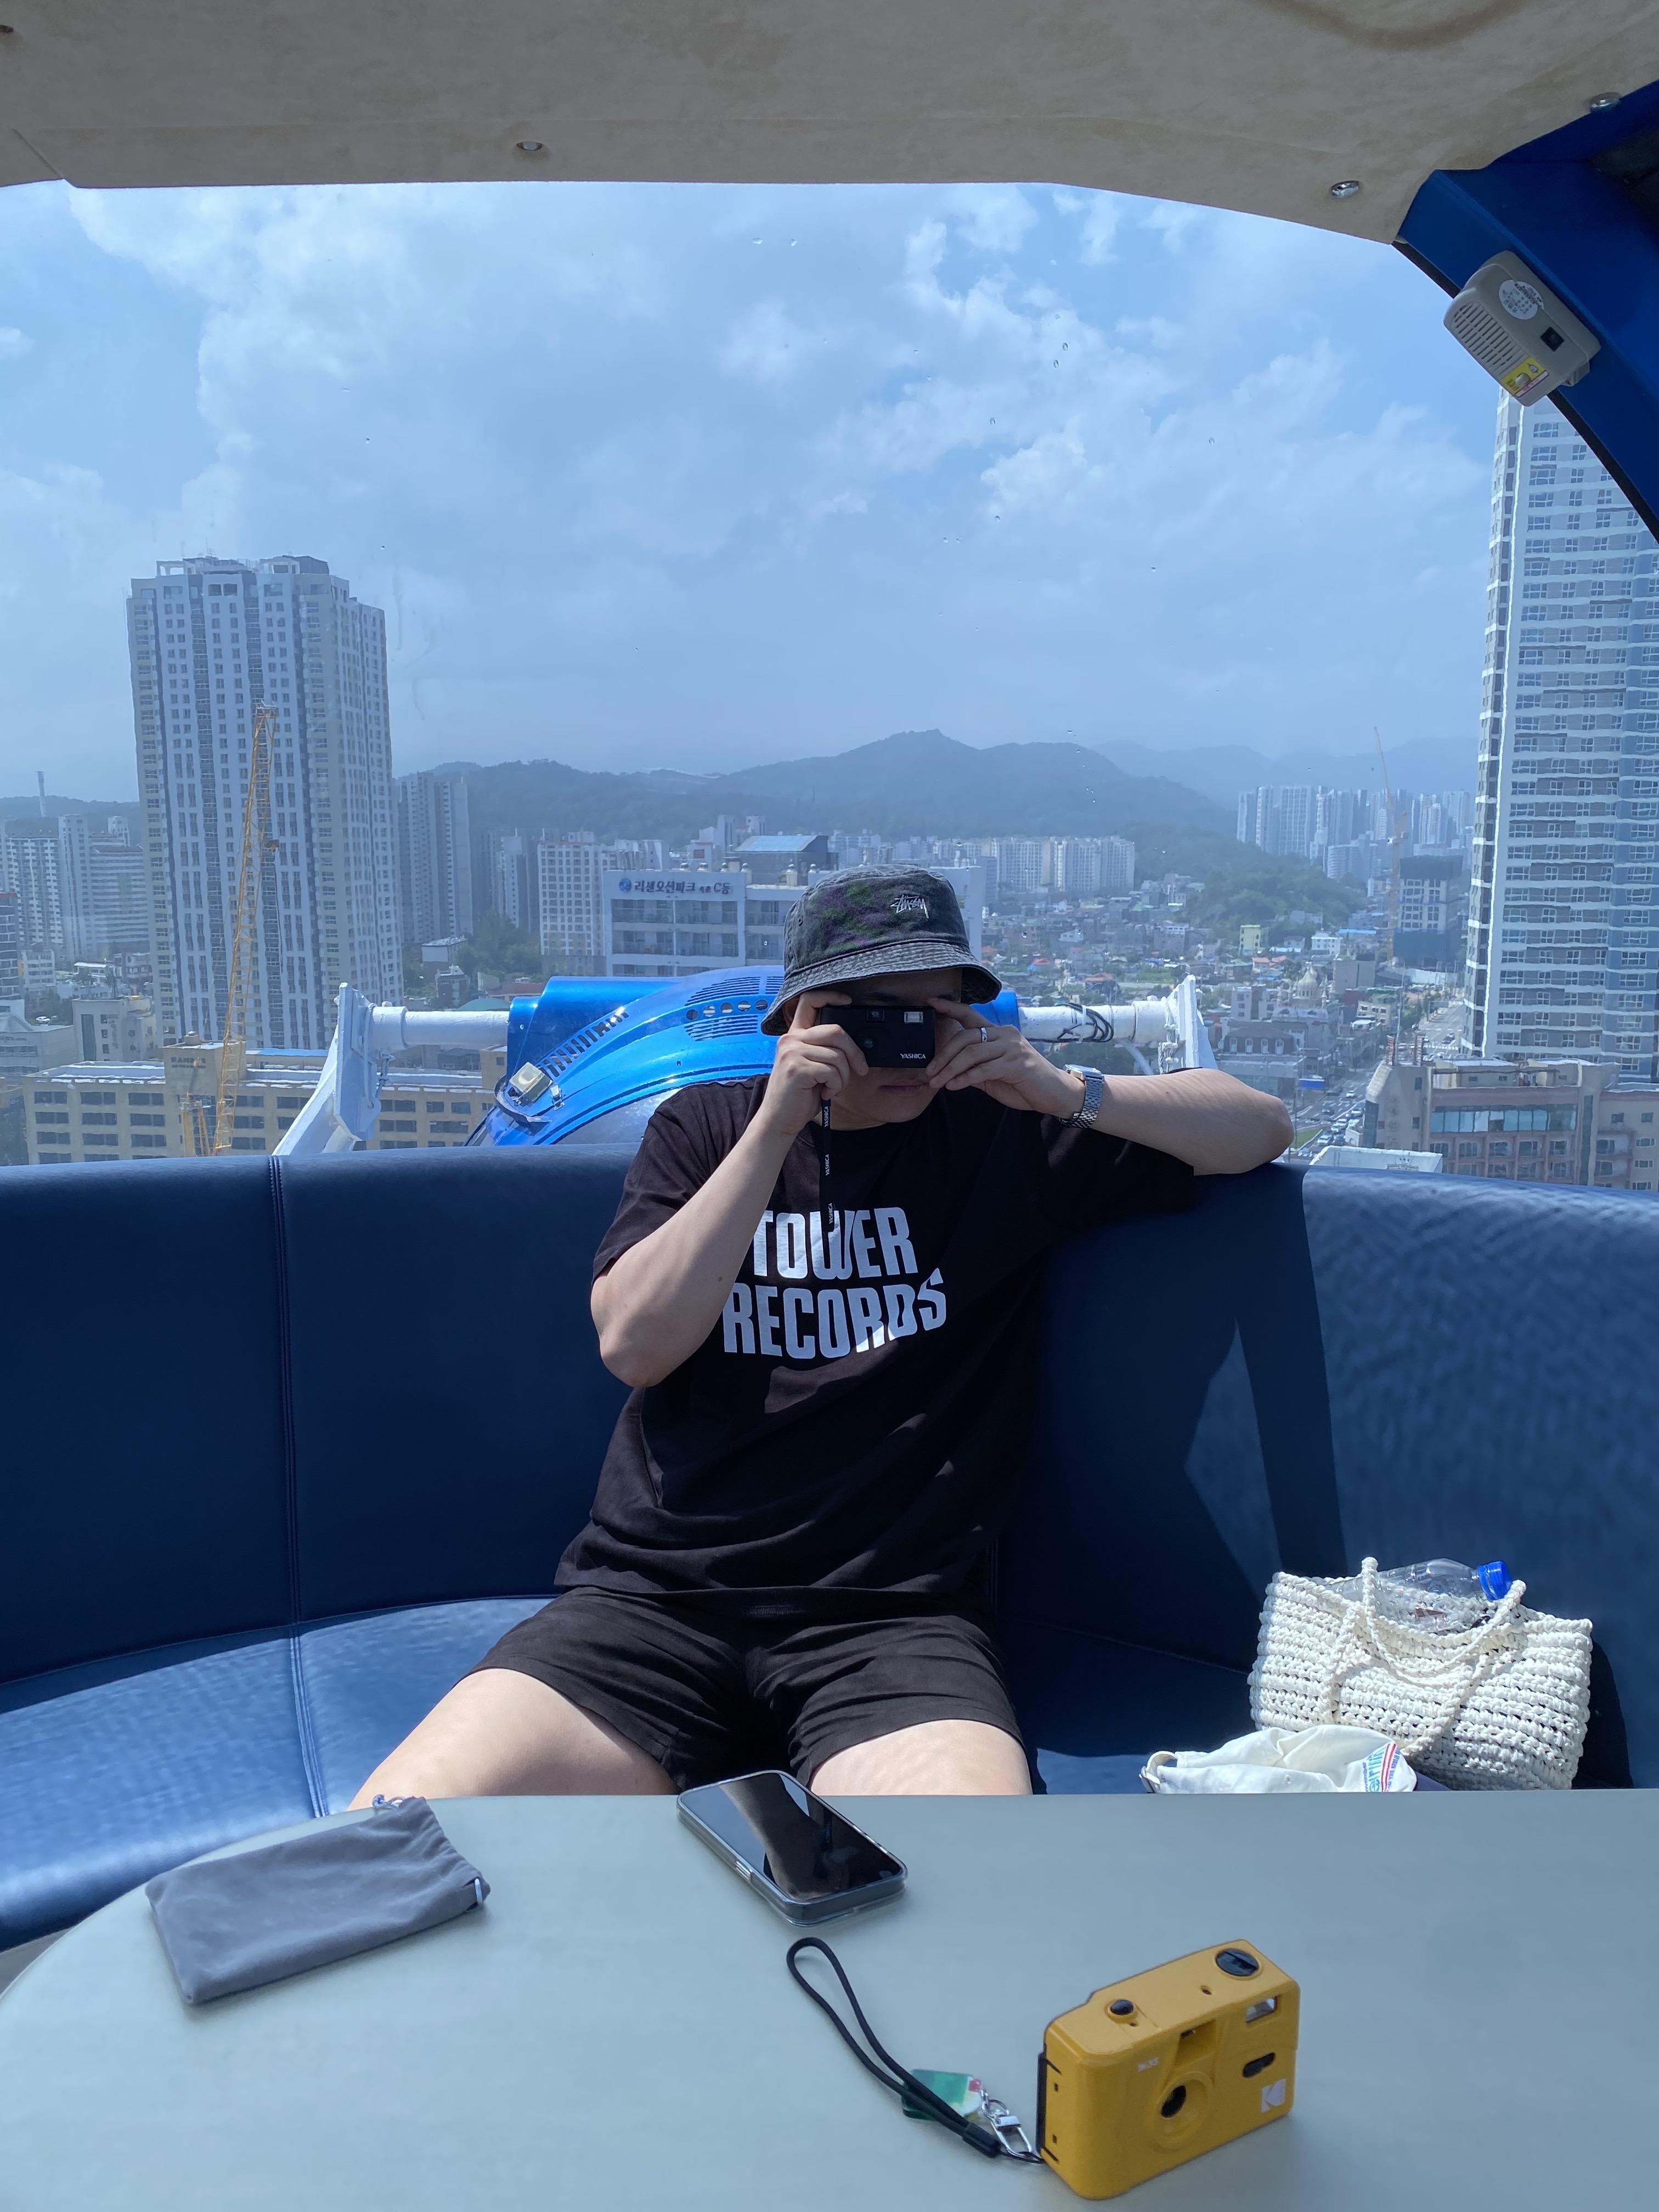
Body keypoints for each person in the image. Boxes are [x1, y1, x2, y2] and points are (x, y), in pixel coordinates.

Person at [355, 867, 1290, 1805]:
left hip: (893, 1623)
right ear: (801, 1016)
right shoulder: (705, 1128)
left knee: (978, 1867)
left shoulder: (1007, 1137)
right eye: (874, 1016)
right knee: (394, 1837)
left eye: (936, 1013)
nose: (906, 1046)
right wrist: (775, 1127)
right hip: (651, 1605)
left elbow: (1260, 1129)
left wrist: (1063, 1090)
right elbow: (636, 1347)